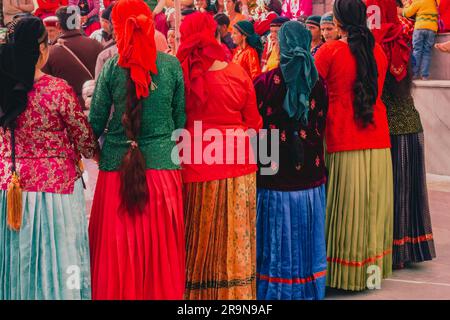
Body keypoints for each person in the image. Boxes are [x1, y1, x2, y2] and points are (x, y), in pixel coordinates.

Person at [88, 0, 186, 300]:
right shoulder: (171, 66)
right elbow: (180, 120)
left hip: (116, 172)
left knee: (118, 251)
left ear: (119, 28)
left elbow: (94, 122)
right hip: (162, 173)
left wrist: (97, 154)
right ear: (148, 24)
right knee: (161, 252)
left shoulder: (111, 69)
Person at [0, 16, 96, 299]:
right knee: (64, 258)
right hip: (58, 194)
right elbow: (86, 142)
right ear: (41, 49)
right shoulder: (57, 90)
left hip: (11, 189)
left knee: (20, 259)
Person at [177, 12, 262, 299]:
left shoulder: (181, 73)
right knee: (235, 239)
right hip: (239, 167)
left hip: (197, 165)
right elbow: (254, 124)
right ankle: (236, 298)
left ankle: (198, 297)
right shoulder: (237, 72)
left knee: (200, 241)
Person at [314, 0, 393, 291]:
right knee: (371, 213)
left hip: (343, 138)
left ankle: (342, 278)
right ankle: (370, 276)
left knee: (346, 212)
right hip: (377, 142)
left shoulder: (330, 51)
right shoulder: (378, 53)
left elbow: (308, 89)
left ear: (337, 20)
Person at [254, 21, 328, 300]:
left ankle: (277, 288)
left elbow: (253, 127)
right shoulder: (319, 83)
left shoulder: (264, 83)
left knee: (277, 238)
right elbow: (323, 122)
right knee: (306, 235)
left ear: (282, 45)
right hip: (310, 171)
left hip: (274, 173)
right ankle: (309, 286)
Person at [371, 0, 436, 269]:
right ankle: (408, 249)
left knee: (395, 190)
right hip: (409, 124)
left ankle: (396, 251)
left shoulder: (383, 41)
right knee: (406, 191)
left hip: (394, 127)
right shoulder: (400, 34)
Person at [43, 6, 104, 107]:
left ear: (58, 26)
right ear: (78, 23)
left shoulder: (51, 53)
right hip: (96, 105)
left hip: (68, 108)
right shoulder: (96, 45)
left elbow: (47, 87)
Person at [401, 0, 439, 79]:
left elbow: (407, 13)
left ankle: (414, 75)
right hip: (432, 29)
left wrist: (406, 4)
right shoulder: (433, 2)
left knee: (417, 51)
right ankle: (424, 76)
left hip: (420, 28)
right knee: (427, 51)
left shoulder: (418, 1)